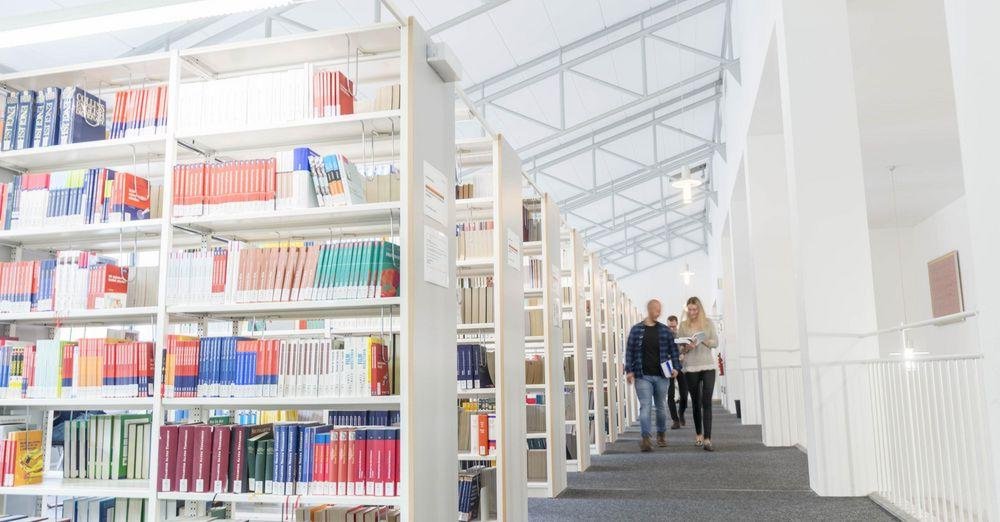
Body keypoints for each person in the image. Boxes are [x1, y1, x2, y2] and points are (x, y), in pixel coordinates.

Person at [625, 299, 680, 452]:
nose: (659, 312)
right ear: (649, 309)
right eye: (657, 309)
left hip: (662, 375)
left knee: (661, 407)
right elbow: (629, 351)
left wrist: (676, 367)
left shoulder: (664, 330)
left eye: (660, 309)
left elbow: (674, 350)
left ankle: (661, 434)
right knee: (645, 406)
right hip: (642, 376)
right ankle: (646, 438)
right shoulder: (636, 330)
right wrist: (629, 370)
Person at [678, 296, 720, 451]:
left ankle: (708, 439)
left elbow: (715, 342)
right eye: (689, 309)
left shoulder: (708, 323)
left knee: (706, 402)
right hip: (691, 366)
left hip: (707, 365)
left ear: (699, 309)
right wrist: (686, 348)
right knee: (696, 402)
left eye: (695, 309)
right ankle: (699, 435)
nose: (692, 312)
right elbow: (679, 347)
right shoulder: (683, 325)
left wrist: (703, 341)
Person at [665, 315, 688, 429]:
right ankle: (675, 420)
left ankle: (681, 413)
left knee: (684, 395)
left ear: (677, 324)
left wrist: (684, 353)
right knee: (670, 395)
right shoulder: (663, 336)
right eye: (669, 327)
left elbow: (687, 349)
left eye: (673, 327)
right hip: (669, 367)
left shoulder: (681, 335)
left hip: (681, 367)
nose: (672, 329)